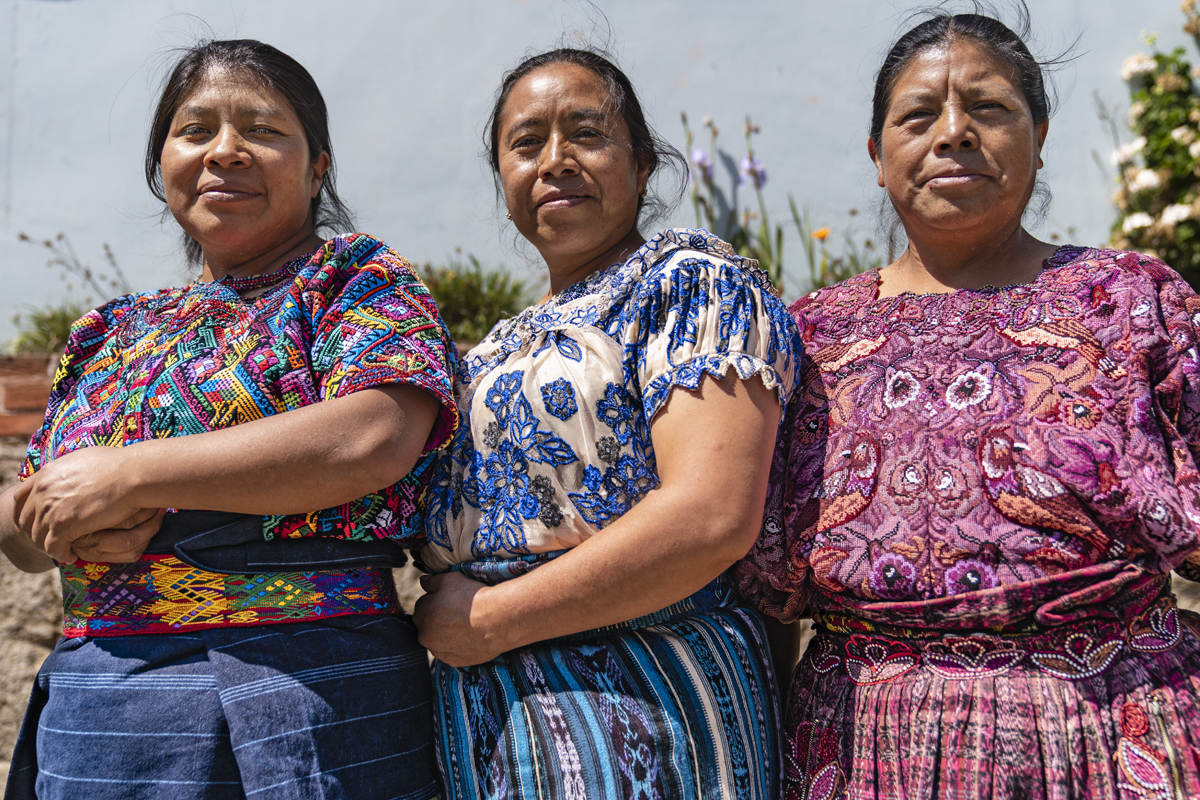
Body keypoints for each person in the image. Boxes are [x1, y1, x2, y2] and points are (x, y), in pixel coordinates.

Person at [736, 8, 1200, 800]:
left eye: (988, 108)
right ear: (879, 156)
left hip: (1109, 741)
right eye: (918, 116)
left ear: (1040, 134)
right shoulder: (807, 338)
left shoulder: (1130, 302)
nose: (953, 133)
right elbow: (765, 589)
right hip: (860, 752)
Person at [0, 39, 457, 800]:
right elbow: (25, 520)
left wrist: (132, 472)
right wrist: (54, 516)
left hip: (311, 701)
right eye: (196, 129)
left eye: (264, 129)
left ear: (318, 167)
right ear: (162, 166)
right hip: (100, 723)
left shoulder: (355, 283)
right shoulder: (107, 335)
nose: (227, 151)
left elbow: (375, 436)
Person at [412, 48, 799, 800]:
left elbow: (710, 516)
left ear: (643, 165)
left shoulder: (691, 286)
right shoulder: (496, 346)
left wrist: (490, 618)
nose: (555, 161)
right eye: (527, 144)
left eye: (586, 134)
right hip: (498, 715)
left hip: (646, 697)